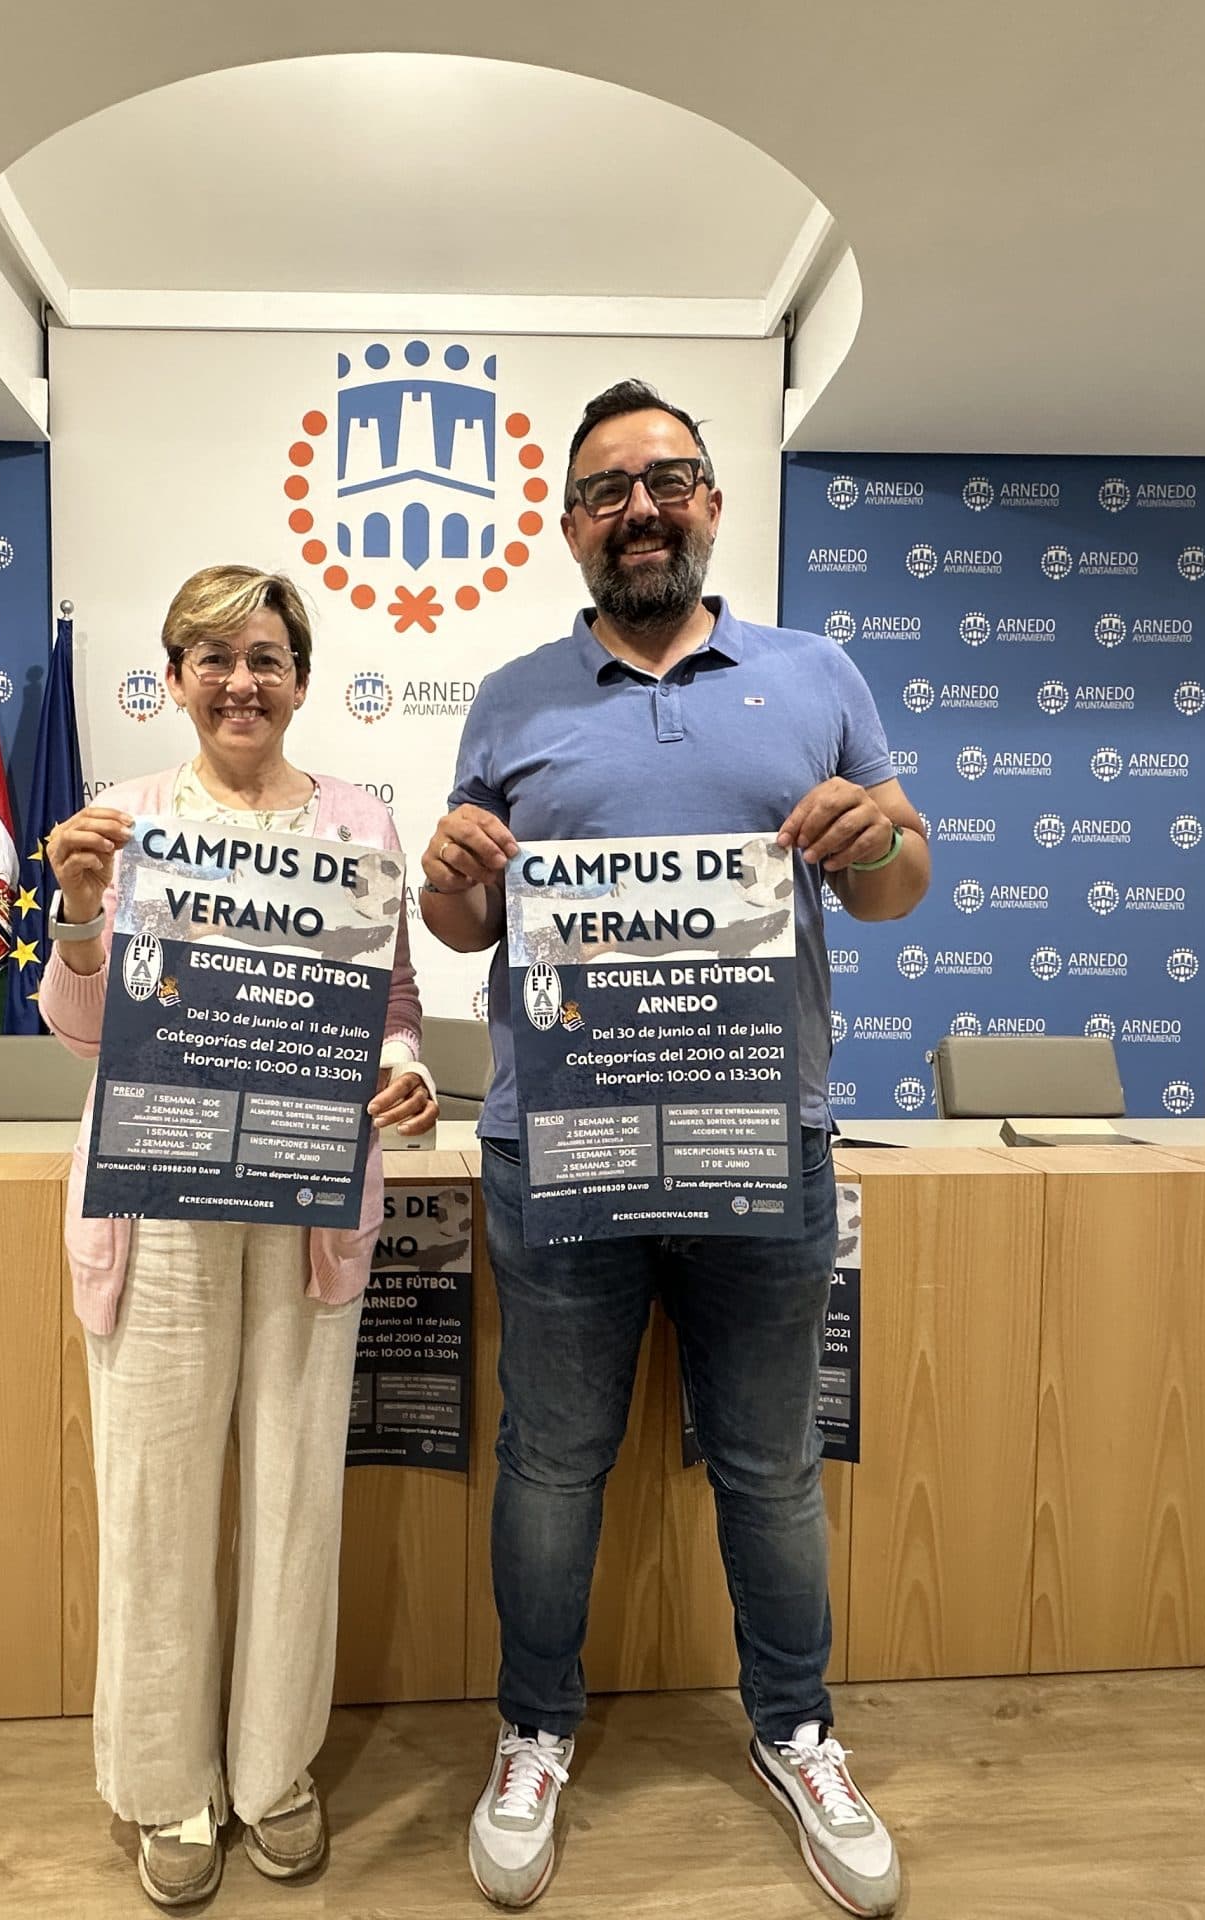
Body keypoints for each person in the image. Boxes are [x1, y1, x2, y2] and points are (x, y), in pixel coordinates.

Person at [420, 382, 930, 1916]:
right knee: (551, 1460)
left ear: (710, 502)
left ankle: (797, 1732)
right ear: (571, 526)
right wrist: (450, 873)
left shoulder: (816, 674)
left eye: (668, 480)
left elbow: (898, 880)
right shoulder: (509, 699)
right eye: (606, 490)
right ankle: (534, 1731)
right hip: (556, 1152)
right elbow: (466, 924)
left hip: (759, 1139)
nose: (639, 509)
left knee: (769, 1462)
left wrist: (878, 834)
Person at [41, 564, 438, 1909]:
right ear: (174, 680)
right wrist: (79, 918)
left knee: (293, 1495)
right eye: (212, 658)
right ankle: (165, 1785)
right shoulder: (128, 822)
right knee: (155, 1501)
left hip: (308, 1202)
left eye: (264, 656)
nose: (240, 682)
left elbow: (393, 1004)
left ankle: (273, 1773)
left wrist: (405, 1072)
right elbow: (84, 1032)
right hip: (157, 1206)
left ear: (301, 680)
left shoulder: (358, 822)